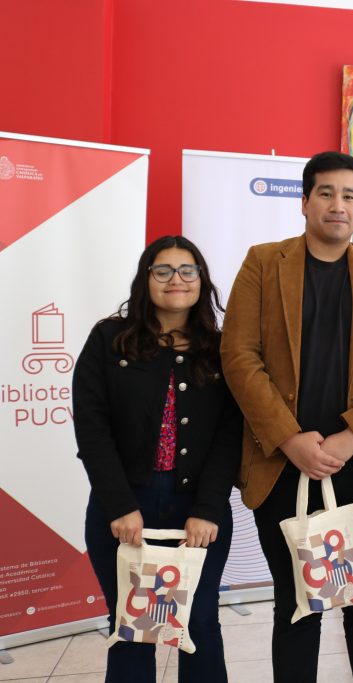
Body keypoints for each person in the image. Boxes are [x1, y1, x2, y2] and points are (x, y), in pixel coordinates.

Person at [220, 151, 353, 683]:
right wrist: (288, 438)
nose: (337, 205)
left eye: (349, 196)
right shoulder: (263, 262)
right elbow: (239, 355)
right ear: (304, 202)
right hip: (284, 467)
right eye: (326, 193)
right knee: (298, 607)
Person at [73, 236, 240, 682]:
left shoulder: (221, 349)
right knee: (133, 628)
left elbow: (230, 435)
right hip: (125, 506)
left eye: (188, 270)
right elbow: (91, 428)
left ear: (201, 281)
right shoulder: (110, 339)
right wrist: (120, 505)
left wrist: (207, 510)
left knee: (199, 623)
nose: (176, 280)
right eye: (162, 270)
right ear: (145, 279)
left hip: (197, 511)